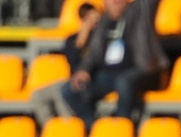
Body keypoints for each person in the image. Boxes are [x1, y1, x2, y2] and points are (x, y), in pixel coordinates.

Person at [61, 0, 169, 129]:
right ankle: (95, 128)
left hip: (142, 70)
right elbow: (93, 53)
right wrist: (84, 70)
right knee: (69, 89)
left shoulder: (140, 11)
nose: (115, 1)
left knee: (123, 82)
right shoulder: (103, 22)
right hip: (110, 74)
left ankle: (122, 128)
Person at [30, 2, 100, 126]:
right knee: (38, 95)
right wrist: (81, 41)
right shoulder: (72, 40)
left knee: (61, 91)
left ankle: (69, 128)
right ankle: (51, 129)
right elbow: (73, 62)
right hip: (72, 79)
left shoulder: (100, 39)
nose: (92, 23)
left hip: (91, 81)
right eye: (89, 19)